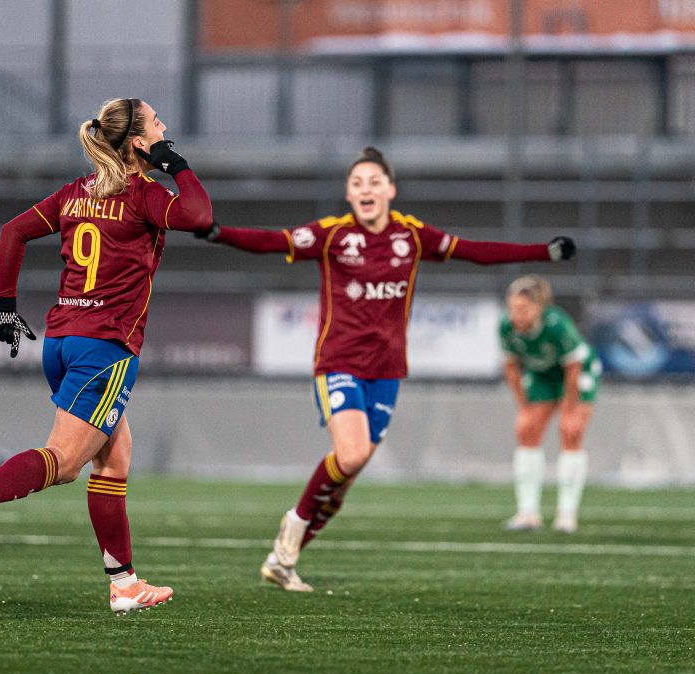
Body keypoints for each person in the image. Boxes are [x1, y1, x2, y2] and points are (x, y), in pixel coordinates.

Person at [196, 147, 576, 592]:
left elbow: (475, 251)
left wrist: (541, 253)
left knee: (347, 475)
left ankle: (284, 561)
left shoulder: (411, 236)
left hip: (388, 370)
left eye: (374, 182)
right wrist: (218, 232)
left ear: (390, 189)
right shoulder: (333, 235)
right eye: (357, 183)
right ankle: (292, 528)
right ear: (349, 193)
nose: (366, 190)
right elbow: (273, 241)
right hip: (338, 363)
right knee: (352, 455)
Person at [0, 98, 213, 615]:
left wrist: (5, 307)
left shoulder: (78, 192)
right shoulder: (144, 194)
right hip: (104, 349)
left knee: (115, 455)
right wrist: (177, 165)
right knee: (61, 464)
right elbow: (198, 215)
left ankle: (124, 584)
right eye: (157, 122)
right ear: (139, 142)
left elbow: (12, 232)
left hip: (62, 342)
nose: (166, 126)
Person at [500, 274, 599, 534]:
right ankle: (528, 513)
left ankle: (567, 515)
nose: (515, 315)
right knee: (526, 429)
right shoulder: (506, 327)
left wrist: (568, 410)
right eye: (512, 308)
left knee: (570, 431)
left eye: (523, 309)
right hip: (543, 375)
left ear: (539, 308)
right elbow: (511, 368)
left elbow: (574, 367)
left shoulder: (558, 325)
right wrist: (524, 406)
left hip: (577, 373)